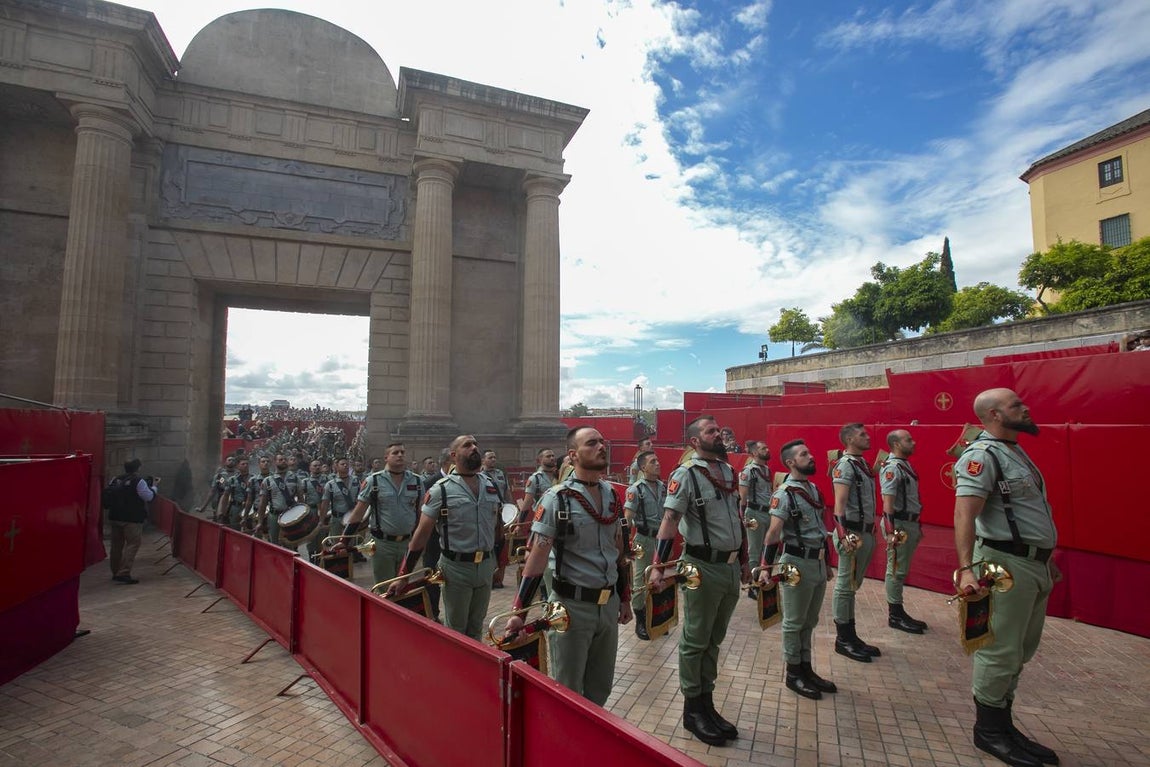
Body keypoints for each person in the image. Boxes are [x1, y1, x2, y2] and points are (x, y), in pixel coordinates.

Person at [954, 389, 1060, 767]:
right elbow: (965, 514)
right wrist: (966, 568)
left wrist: (1045, 559)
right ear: (995, 415)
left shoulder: (1013, 451)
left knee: (1020, 650)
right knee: (998, 650)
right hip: (1004, 567)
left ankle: (1003, 724)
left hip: (1031, 566)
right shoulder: (981, 456)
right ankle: (988, 731)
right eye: (1016, 405)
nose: (1025, 408)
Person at [504, 427, 631, 705]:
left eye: (602, 441)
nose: (601, 447)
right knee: (568, 692)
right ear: (573, 455)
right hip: (571, 609)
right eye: (592, 443)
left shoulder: (611, 494)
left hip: (608, 606)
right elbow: (537, 559)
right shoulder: (556, 498)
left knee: (600, 690)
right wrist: (519, 613)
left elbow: (618, 552)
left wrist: (625, 599)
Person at [648, 415, 747, 747]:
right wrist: (658, 566)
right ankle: (693, 710)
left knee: (714, 639)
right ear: (694, 441)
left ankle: (707, 702)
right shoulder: (686, 474)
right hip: (702, 567)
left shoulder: (729, 472)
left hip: (729, 567)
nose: (718, 434)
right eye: (710, 431)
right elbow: (670, 519)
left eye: (719, 429)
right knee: (695, 640)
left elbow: (736, 519)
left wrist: (743, 561)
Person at [388, 436, 503, 640]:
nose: (474, 447)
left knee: (476, 627)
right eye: (467, 445)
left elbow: (498, 527)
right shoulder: (441, 489)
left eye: (475, 444)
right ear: (453, 455)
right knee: (457, 630)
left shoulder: (490, 485)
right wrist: (404, 575)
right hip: (456, 568)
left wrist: (500, 564)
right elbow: (420, 536)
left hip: (485, 565)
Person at [759, 439, 836, 699]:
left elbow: (820, 530)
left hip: (816, 562)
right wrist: (766, 568)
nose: (811, 456)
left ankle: (806, 668)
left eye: (810, 452)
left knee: (809, 621)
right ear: (791, 463)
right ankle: (793, 673)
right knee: (794, 622)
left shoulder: (813, 489)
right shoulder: (784, 494)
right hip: (796, 563)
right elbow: (773, 534)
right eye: (804, 454)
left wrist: (826, 563)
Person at [830, 422, 881, 662]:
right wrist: (843, 536)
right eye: (862, 434)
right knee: (844, 586)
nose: (867, 437)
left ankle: (851, 635)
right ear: (850, 439)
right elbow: (839, 505)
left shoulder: (862, 465)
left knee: (852, 586)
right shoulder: (845, 465)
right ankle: (843, 638)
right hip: (851, 532)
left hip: (864, 531)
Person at [338, 443, 423, 585]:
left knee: (402, 586)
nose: (400, 455)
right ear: (386, 458)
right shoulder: (374, 481)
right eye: (395, 453)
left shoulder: (417, 480)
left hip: (407, 543)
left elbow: (420, 512)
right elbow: (359, 513)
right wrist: (344, 541)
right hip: (382, 544)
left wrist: (418, 539)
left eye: (402, 452)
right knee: (384, 587)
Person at [881, 429, 928, 634]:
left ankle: (899, 611)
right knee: (896, 569)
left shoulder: (904, 465)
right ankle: (895, 614)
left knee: (901, 569)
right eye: (908, 440)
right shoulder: (892, 468)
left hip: (909, 523)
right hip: (899, 524)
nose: (914, 442)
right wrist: (891, 532)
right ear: (896, 444)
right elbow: (888, 503)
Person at [623, 449, 664, 640]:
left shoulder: (663, 487)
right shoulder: (635, 490)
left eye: (657, 461)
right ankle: (640, 619)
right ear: (642, 467)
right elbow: (627, 519)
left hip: (661, 539)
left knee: (659, 576)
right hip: (644, 539)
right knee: (641, 579)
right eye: (653, 462)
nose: (658, 464)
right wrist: (625, 546)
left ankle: (656, 616)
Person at [104, 459, 157, 584]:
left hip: (115, 516)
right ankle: (124, 572)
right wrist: (154, 487)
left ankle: (115, 571)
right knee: (133, 544)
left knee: (116, 546)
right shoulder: (138, 481)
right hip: (132, 519)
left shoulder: (115, 479)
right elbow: (149, 497)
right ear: (138, 468)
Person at [738, 440, 772, 599]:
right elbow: (742, 498)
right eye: (763, 448)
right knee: (754, 551)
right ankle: (753, 585)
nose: (767, 449)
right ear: (754, 453)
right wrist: (743, 518)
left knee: (766, 549)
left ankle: (762, 581)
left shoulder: (766, 469)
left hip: (767, 513)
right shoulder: (748, 471)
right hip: (754, 513)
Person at [483, 450, 513, 588]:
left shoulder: (500, 474)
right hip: (488, 515)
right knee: (489, 545)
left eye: (495, 457)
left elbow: (506, 492)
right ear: (483, 460)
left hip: (501, 514)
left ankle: (498, 578)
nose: (493, 460)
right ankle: (489, 577)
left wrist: (512, 508)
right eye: (490, 457)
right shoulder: (480, 476)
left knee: (501, 545)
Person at [257, 453, 300, 548]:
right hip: (274, 516)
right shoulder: (268, 480)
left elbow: (301, 500)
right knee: (274, 545)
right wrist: (260, 522)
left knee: (290, 545)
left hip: (290, 516)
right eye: (280, 460)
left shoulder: (295, 478)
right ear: (275, 462)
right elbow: (263, 503)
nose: (283, 461)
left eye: (285, 459)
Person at [320, 458, 358, 546]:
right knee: (336, 544)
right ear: (336, 467)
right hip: (337, 518)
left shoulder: (356, 481)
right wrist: (321, 521)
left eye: (347, 464)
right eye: (342, 464)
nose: (345, 466)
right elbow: (325, 504)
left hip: (351, 518)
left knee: (350, 544)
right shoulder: (330, 484)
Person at [299, 459, 327, 559]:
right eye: (314, 466)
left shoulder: (327, 480)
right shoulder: (305, 482)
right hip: (311, 511)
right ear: (310, 468)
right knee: (311, 534)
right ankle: (311, 555)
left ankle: (320, 555)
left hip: (324, 510)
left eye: (319, 465)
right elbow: (300, 497)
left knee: (322, 534)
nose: (317, 467)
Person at [519, 448, 558, 517]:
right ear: (540, 460)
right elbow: (527, 502)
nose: (552, 458)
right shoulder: (535, 478)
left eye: (553, 456)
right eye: (548, 456)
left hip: (559, 514)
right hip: (542, 516)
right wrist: (520, 521)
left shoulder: (560, 476)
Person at [216, 457, 251, 531]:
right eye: (243, 464)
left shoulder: (253, 479)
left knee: (249, 531)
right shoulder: (232, 480)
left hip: (250, 509)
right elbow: (225, 496)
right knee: (235, 530)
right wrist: (222, 511)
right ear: (238, 466)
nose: (245, 465)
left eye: (247, 464)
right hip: (236, 508)